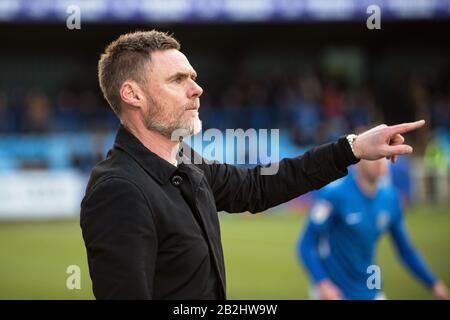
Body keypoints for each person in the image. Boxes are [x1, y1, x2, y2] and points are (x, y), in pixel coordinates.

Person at [80, 30, 426, 299]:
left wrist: (352, 148)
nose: (197, 89)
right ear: (132, 94)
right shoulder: (119, 190)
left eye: (193, 77)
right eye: (178, 80)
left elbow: (261, 186)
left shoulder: (187, 164)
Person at [297, 157, 450, 300]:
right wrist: (322, 283)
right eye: (373, 156)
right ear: (357, 161)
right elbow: (306, 244)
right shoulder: (334, 194)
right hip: (336, 291)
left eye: (383, 156)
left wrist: (434, 283)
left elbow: (406, 250)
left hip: (371, 288)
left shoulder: (390, 198)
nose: (380, 161)